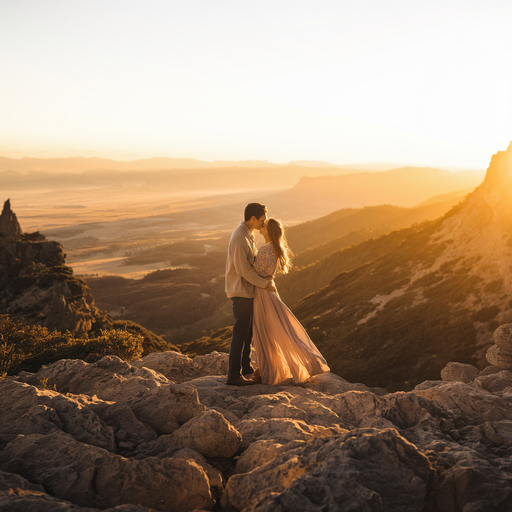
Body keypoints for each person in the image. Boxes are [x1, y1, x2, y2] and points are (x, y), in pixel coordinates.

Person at [251, 218, 330, 385]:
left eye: (264, 225)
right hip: (267, 290)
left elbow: (255, 272)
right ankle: (267, 368)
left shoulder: (266, 249)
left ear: (269, 230)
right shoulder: (274, 248)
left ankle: (268, 369)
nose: (260, 227)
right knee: (275, 329)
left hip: (262, 292)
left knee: (266, 330)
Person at [225, 202, 275, 386]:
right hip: (241, 291)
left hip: (247, 290)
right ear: (253, 218)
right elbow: (243, 269)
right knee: (240, 333)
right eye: (262, 220)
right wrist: (264, 284)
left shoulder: (248, 234)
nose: (264, 223)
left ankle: (245, 368)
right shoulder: (240, 238)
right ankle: (233, 376)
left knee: (247, 333)